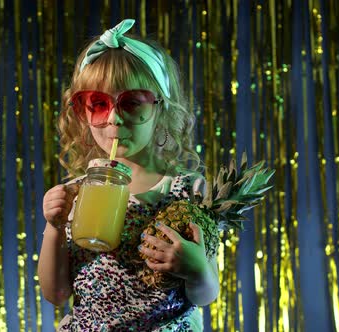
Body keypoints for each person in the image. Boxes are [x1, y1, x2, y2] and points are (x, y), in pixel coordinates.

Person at [38, 19, 219, 331]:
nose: (114, 118)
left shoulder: (188, 191)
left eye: (132, 103)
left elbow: (205, 295)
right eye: (98, 103)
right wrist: (54, 227)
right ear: (83, 112)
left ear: (160, 108)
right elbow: (56, 293)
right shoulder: (75, 194)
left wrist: (197, 269)